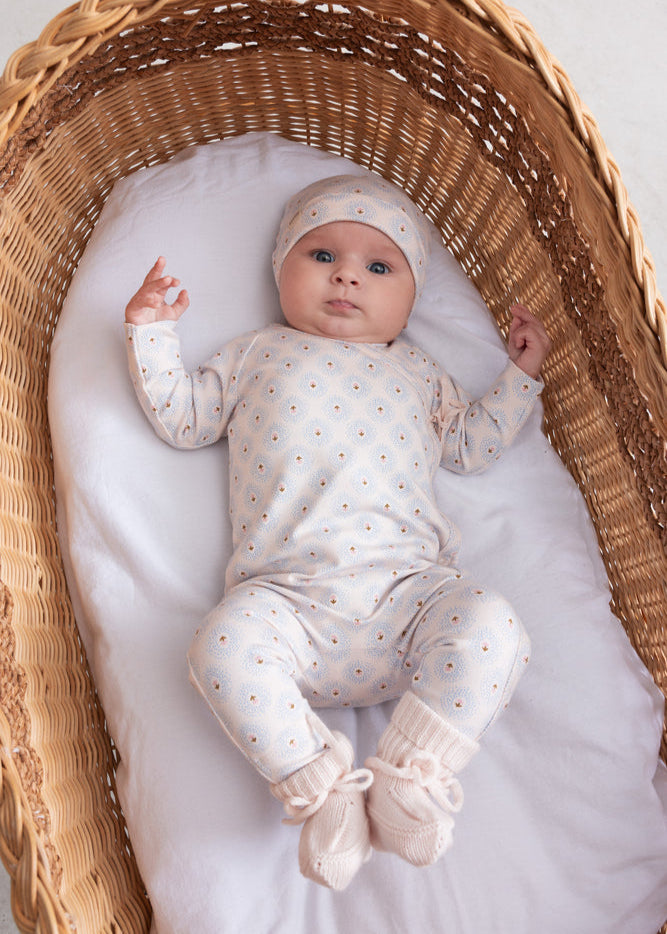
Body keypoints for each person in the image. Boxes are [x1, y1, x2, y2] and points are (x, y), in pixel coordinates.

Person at [124, 173, 551, 891]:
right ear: (280, 269)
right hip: (288, 603)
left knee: (492, 625)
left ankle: (412, 778)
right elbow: (183, 417)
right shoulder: (254, 353)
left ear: (411, 299)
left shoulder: (418, 371)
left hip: (409, 599)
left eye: (378, 267)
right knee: (219, 649)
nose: (347, 274)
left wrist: (519, 374)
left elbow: (470, 447)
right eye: (321, 255)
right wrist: (150, 330)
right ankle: (322, 793)